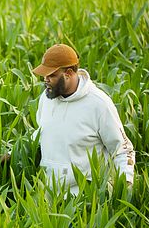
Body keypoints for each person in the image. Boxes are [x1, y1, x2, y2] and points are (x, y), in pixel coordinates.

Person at [32, 43, 135, 194]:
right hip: (49, 195)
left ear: (68, 73)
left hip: (86, 199)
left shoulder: (99, 104)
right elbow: (42, 133)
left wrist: (124, 188)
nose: (45, 80)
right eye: (44, 75)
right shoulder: (46, 98)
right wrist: (11, 154)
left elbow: (122, 151)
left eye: (51, 75)